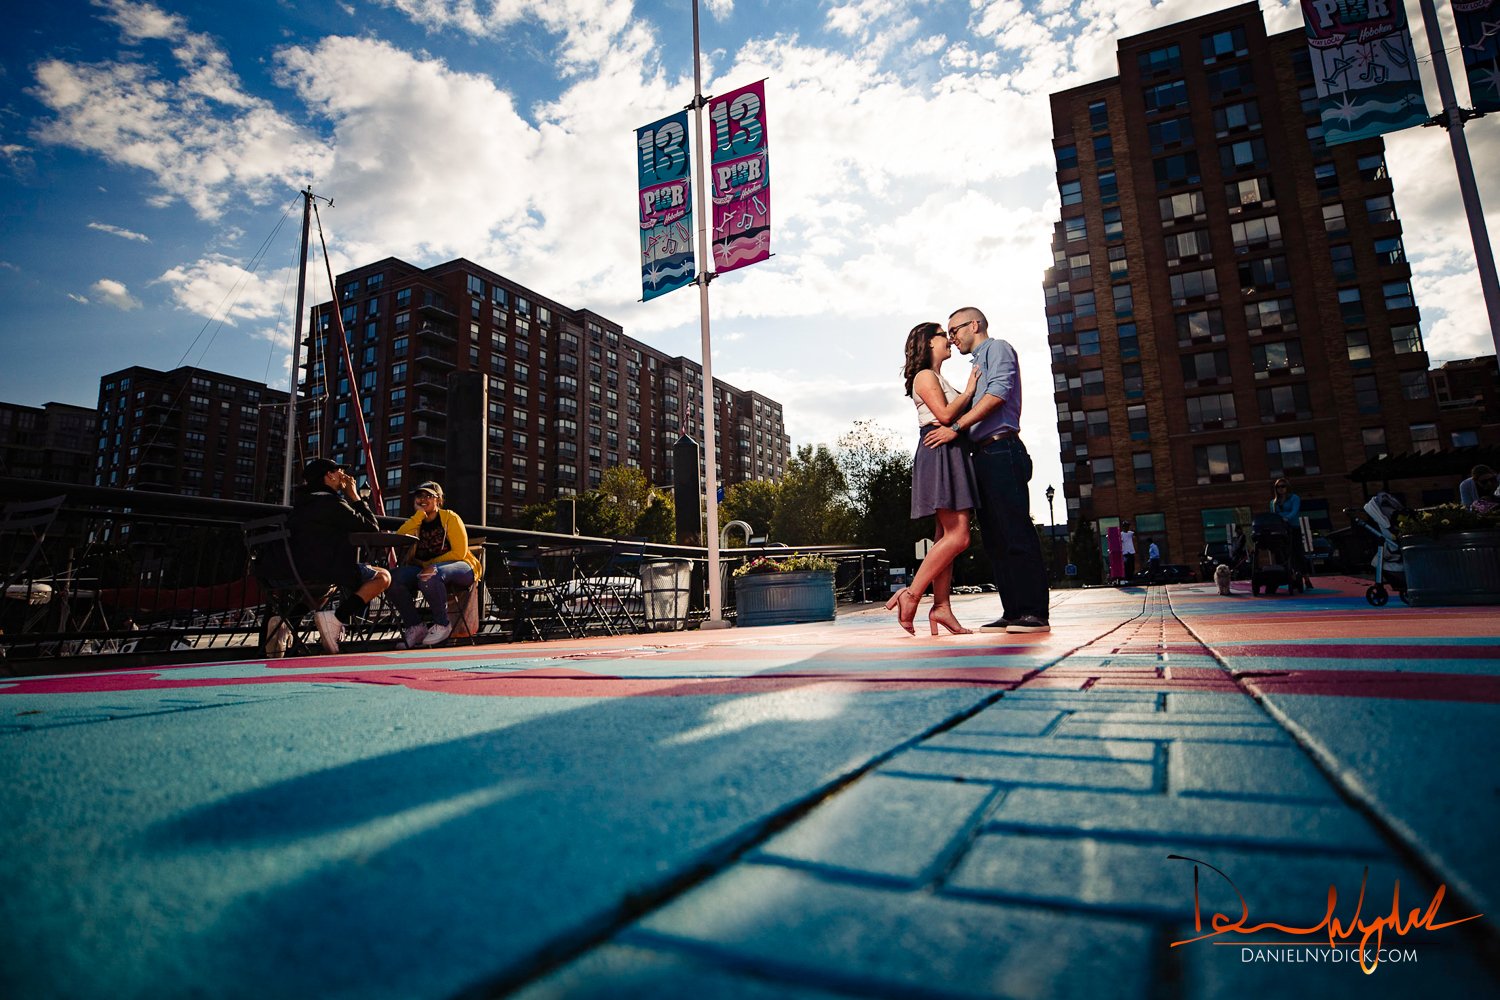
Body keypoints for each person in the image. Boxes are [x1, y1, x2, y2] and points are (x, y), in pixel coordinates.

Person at [922, 307, 1050, 633]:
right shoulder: (975, 365)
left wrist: (957, 426)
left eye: (955, 330)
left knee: (1015, 530)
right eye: (948, 333)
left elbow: (997, 394)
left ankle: (1033, 612)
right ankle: (1013, 611)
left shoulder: (998, 349)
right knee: (995, 539)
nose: (952, 337)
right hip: (980, 455)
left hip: (1001, 448)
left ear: (974, 325)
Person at [884, 321, 980, 635]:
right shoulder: (924, 376)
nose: (949, 340)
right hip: (939, 450)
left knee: (944, 538)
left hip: (947, 451)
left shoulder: (936, 376)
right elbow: (945, 416)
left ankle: (941, 607)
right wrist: (969, 391)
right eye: (943, 336)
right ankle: (911, 595)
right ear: (928, 343)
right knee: (959, 536)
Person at [287, 457, 391, 654]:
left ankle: (285, 622)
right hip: (329, 569)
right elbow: (371, 528)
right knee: (383, 576)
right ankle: (337, 618)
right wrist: (355, 497)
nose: (344, 475)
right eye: (339, 471)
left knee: (321, 593)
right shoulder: (332, 503)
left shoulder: (301, 506)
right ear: (329, 476)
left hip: (299, 570)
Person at [385, 481, 483, 648]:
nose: (423, 499)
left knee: (428, 575)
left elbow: (459, 552)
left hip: (461, 567)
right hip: (425, 568)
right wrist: (418, 516)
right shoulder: (418, 521)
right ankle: (415, 627)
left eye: (428, 496)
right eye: (419, 496)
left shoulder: (450, 517)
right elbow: (399, 537)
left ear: (438, 499)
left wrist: (431, 564)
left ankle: (442, 624)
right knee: (389, 579)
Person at [1271, 477, 1307, 582]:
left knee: (1298, 553)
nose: (1280, 489)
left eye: (1283, 486)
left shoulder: (1294, 498)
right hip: (1281, 530)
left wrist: (1284, 517)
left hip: (1293, 528)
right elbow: (1274, 516)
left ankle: (1306, 578)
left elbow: (1294, 512)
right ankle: (1290, 577)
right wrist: (1281, 518)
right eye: (1278, 487)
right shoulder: (1273, 502)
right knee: (1283, 554)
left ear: (1287, 487)